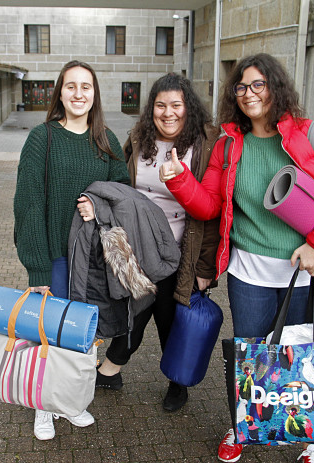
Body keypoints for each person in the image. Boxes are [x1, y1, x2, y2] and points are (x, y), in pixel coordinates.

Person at [159, 54, 314, 463]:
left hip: (309, 269)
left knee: (306, 355)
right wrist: (179, 179)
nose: (249, 94)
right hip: (249, 271)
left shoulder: (312, 136)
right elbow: (210, 205)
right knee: (253, 356)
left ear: (275, 87)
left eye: (258, 85)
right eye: (241, 87)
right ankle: (243, 426)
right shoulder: (229, 143)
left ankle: (311, 437)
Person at [13, 60, 130, 441]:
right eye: (71, 86)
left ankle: (72, 401)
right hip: (57, 258)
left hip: (94, 261)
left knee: (82, 338)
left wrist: (99, 207)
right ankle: (43, 407)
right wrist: (38, 269)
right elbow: (29, 204)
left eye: (87, 87)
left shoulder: (107, 141)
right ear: (60, 92)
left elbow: (123, 196)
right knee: (49, 334)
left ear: (95, 94)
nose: (79, 93)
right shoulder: (41, 138)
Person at [92, 73, 220, 413]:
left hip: (182, 251)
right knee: (134, 308)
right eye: (160, 105)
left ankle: (175, 382)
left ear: (188, 108)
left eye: (176, 105)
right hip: (138, 248)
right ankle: (114, 367)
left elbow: (213, 211)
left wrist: (206, 266)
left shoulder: (206, 143)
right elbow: (120, 183)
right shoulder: (138, 138)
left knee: (169, 316)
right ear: (152, 110)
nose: (168, 113)